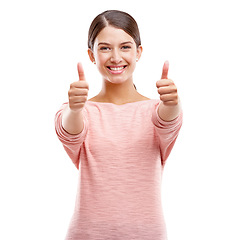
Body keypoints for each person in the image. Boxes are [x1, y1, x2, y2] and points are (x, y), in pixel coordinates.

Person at [55, 10, 182, 240]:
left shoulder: (155, 109)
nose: (115, 57)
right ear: (91, 55)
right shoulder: (80, 111)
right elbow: (70, 130)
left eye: (125, 47)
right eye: (104, 48)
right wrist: (74, 109)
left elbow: (167, 119)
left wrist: (172, 103)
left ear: (138, 52)